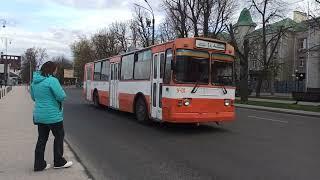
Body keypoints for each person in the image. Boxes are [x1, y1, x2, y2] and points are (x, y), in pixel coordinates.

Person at [30, 61, 72, 171]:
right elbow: (61, 96)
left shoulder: (34, 82)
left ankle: (39, 165)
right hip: (53, 116)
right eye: (56, 69)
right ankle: (58, 161)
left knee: (42, 139)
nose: (56, 71)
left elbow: (34, 98)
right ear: (52, 69)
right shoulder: (52, 81)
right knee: (59, 136)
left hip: (39, 116)